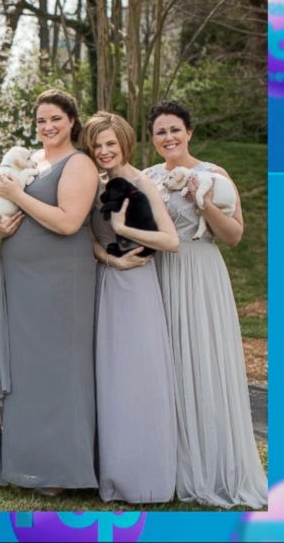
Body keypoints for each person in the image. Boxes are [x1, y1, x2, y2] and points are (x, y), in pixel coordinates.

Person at [143, 100, 267, 508]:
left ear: (189, 132)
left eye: (175, 129)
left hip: (199, 276)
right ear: (153, 137)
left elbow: (233, 236)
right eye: (161, 131)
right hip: (156, 276)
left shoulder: (213, 175)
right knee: (165, 370)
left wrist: (205, 202)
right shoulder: (146, 178)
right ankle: (169, 467)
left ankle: (211, 467)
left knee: (203, 364)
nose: (169, 138)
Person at [0, 89, 98, 494]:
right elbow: (14, 213)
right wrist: (0, 225)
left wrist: (16, 194)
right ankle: (26, 464)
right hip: (21, 282)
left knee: (61, 371)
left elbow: (69, 222)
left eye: (55, 118)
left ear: (71, 120)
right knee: (28, 372)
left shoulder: (80, 163)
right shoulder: (30, 161)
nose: (47, 127)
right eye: (40, 121)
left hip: (60, 283)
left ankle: (62, 469)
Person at [84, 111, 178, 503]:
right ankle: (114, 473)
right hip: (107, 283)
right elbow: (86, 238)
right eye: (97, 145)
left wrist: (123, 231)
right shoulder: (92, 187)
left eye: (111, 143)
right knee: (110, 378)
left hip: (139, 286)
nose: (105, 151)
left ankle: (147, 477)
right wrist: (111, 258)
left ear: (124, 142)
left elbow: (171, 240)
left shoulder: (142, 182)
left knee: (140, 375)